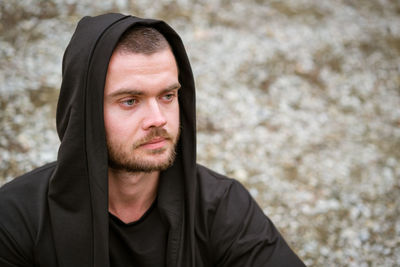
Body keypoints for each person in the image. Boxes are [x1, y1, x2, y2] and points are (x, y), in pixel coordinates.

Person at [0, 13, 305, 266]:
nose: (158, 118)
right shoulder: (16, 218)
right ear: (84, 112)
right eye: (130, 101)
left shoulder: (221, 206)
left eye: (168, 96)